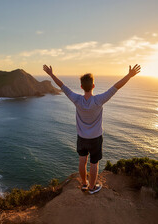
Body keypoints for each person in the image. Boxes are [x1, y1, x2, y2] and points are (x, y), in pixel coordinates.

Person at [43, 64, 141, 194]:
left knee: (82, 161)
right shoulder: (99, 100)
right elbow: (116, 87)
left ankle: (84, 184)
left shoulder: (76, 99)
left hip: (82, 137)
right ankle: (92, 188)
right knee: (94, 163)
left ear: (82, 87)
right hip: (95, 138)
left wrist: (51, 74)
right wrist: (129, 75)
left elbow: (62, 86)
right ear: (93, 86)